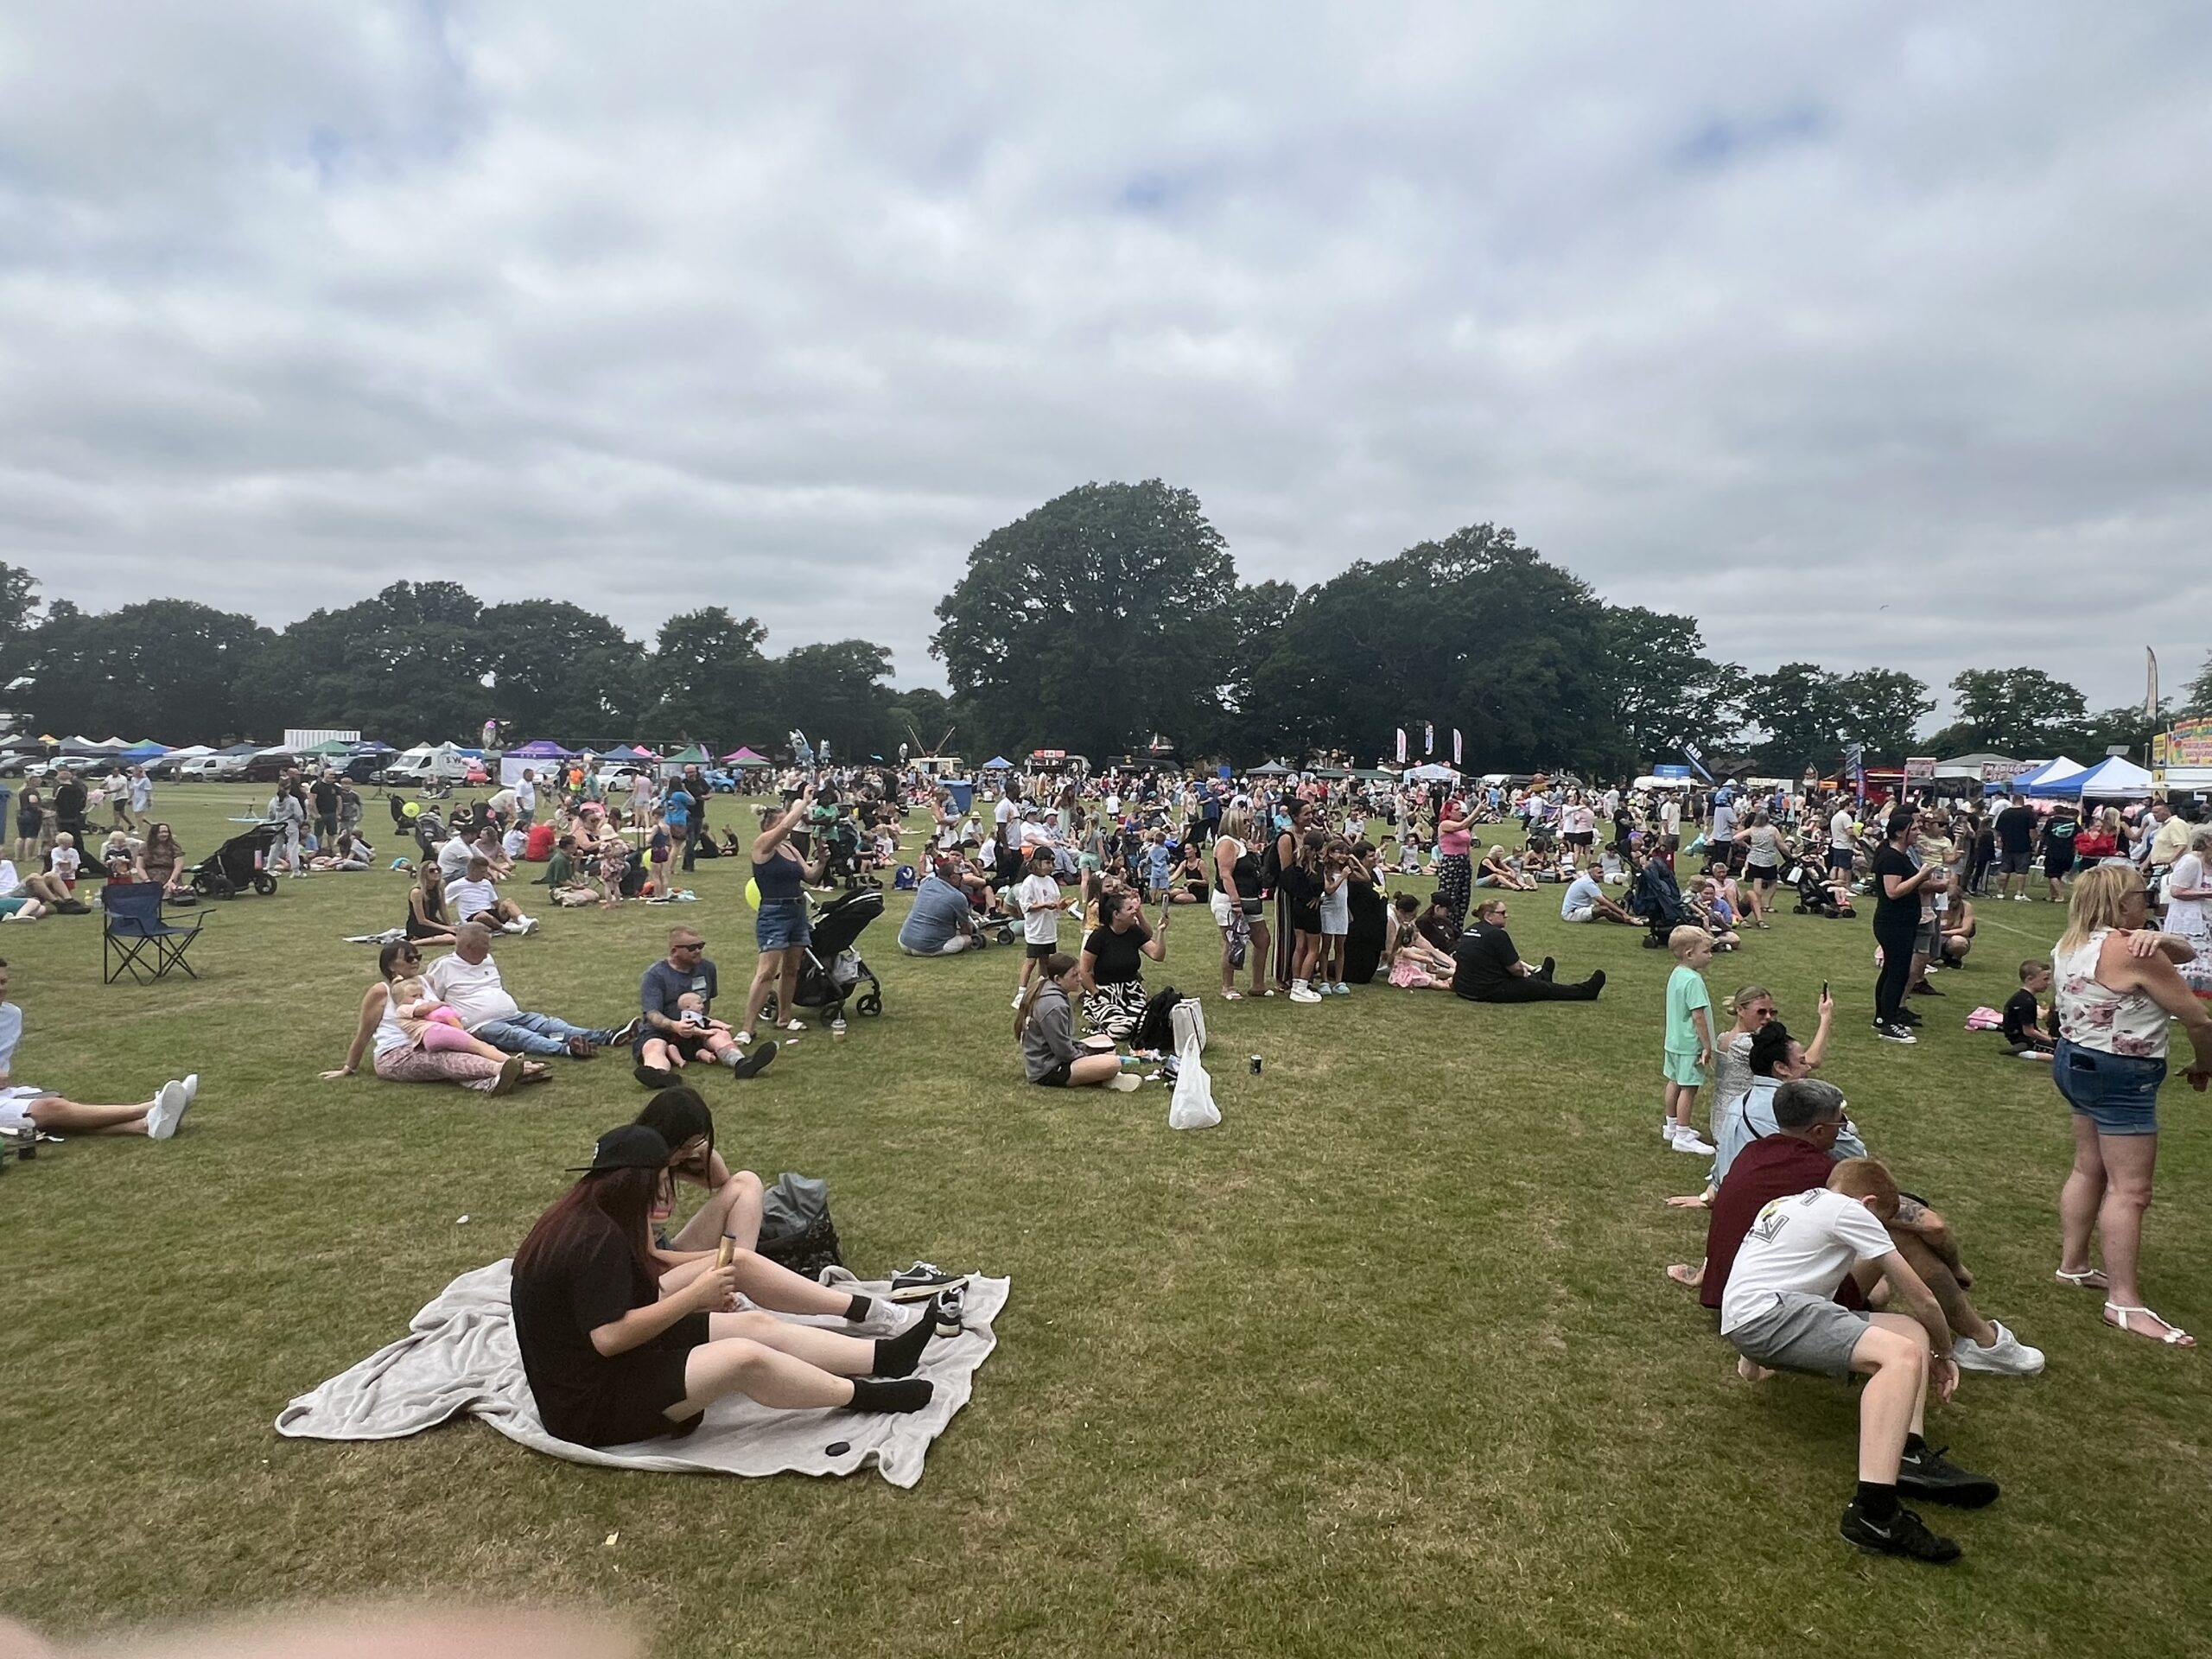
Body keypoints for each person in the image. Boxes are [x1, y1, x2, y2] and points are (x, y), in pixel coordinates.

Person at [509, 1124, 938, 1450]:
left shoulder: (593, 1215)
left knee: (754, 1326)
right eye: (662, 1180)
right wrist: (695, 1298)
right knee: (743, 1358)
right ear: (637, 1183)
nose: (665, 1191)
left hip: (617, 1364)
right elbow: (608, 1337)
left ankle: (884, 1356)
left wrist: (697, 1299)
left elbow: (631, 1298)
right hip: (592, 1406)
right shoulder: (594, 1240)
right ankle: (864, 1396)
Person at [1721, 1157, 1998, 1564]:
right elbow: (1923, 1297)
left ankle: (1907, 1453)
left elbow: (1767, 1273)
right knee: (1902, 1356)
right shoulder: (1851, 1210)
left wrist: (1750, 1359)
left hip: (1753, 1318)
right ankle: (1875, 1513)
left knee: (1907, 1333)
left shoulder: (1786, 1204)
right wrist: (1945, 1353)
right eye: (1881, 1221)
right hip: (1771, 1318)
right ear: (1868, 1203)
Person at [2050, 864, 2212, 1347]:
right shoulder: (2129, 951)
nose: (2151, 900)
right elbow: (2199, 1020)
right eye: (2144, 894)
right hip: (2122, 1074)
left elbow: (2185, 951)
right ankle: (2124, 1302)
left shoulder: (2072, 942)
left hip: (2075, 1061)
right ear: (2123, 903)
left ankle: (2074, 1264)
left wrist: (2159, 938)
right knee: (2132, 1191)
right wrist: (2205, 1065)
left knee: (2088, 1168)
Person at [0, 960, 196, 1140]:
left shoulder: (12, 1015)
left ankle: (145, 1125)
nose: (1, 988)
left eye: (3, 982)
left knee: (60, 1112)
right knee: (52, 1108)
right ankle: (153, 1107)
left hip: (7, 1093)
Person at [324, 942, 533, 1094]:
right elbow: (364, 1034)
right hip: (397, 1054)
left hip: (432, 1042)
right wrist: (348, 1068)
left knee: (469, 1048)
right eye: (408, 958)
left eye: (418, 957)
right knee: (444, 1061)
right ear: (391, 966)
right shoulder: (381, 991)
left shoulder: (427, 982)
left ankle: (493, 1080)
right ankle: (509, 1069)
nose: (415, 961)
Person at [424, 924, 639, 1059]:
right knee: (520, 1036)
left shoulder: (487, 960)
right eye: (485, 945)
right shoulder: (443, 967)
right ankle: (567, 1050)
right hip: (481, 1026)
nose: (489, 949)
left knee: (551, 1025)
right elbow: (431, 1002)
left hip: (513, 1014)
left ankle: (606, 1036)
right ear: (469, 948)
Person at [734, 791, 832, 1046]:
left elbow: (810, 876)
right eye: (782, 820)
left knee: (792, 968)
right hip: (774, 912)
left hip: (797, 910)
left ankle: (785, 1018)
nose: (787, 825)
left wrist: (822, 861)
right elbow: (788, 825)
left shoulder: (789, 848)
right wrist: (804, 802)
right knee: (767, 972)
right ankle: (747, 1028)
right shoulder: (762, 845)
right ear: (769, 826)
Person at [633, 928, 776, 1088]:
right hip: (662, 1031)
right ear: (674, 951)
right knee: (654, 1046)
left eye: (700, 946)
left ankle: (742, 1064)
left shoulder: (707, 968)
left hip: (697, 1027)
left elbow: (707, 1002)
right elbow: (652, 1014)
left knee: (721, 1035)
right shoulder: (655, 975)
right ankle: (659, 1075)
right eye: (692, 948)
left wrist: (702, 1026)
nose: (698, 951)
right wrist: (674, 1026)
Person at [1017, 953, 1143, 1090]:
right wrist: (1088, 1054)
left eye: (1079, 973)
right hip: (1048, 1069)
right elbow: (1064, 1052)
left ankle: (1102, 1075)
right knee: (1113, 1063)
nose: (1080, 979)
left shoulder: (1051, 990)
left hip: (1053, 1057)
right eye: (1074, 975)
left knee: (1105, 1041)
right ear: (1058, 979)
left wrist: (1090, 1050)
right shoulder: (1054, 1006)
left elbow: (1065, 1042)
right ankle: (1105, 1076)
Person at [1451, 899, 1605, 1003]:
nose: (1506, 916)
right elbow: (1516, 969)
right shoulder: (1496, 935)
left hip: (1463, 987)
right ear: (1489, 916)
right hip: (1488, 990)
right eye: (1502, 913)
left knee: (1533, 983)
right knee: (1547, 990)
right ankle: (1586, 991)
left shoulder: (1470, 930)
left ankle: (1543, 976)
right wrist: (1524, 974)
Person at [1869, 807, 1931, 1044]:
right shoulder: (1891, 858)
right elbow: (1893, 891)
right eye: (1913, 829)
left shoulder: (1901, 856)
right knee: (1897, 972)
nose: (1917, 832)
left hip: (1902, 923)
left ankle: (1883, 1017)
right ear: (1899, 833)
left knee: (1892, 971)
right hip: (1893, 924)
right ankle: (1888, 1022)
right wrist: (1921, 876)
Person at [1080, 887, 1167, 1039]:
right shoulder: (1099, 937)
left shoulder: (1134, 932)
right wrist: (1096, 994)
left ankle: (1122, 1022)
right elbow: (1084, 971)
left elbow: (1157, 955)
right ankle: (1104, 1025)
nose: (1135, 911)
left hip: (1131, 992)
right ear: (1116, 915)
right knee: (1122, 1028)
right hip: (1105, 992)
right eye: (1130, 909)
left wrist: (1161, 931)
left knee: (1146, 1024)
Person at [1661, 926, 1718, 1156]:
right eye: (1706, 951)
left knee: (1674, 1081)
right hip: (1689, 1044)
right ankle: (1683, 1135)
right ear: (1689, 954)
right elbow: (1698, 1016)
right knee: (1689, 1087)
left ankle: (1671, 1126)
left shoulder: (1676, 973)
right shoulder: (1694, 980)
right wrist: (1706, 1045)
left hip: (1673, 1041)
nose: (1710, 955)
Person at [1210, 807, 1273, 1001]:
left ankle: (1258, 984)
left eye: (1249, 821)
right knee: (1232, 941)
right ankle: (1228, 986)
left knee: (1262, 939)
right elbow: (1226, 874)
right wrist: (1235, 902)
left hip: (1250, 899)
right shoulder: (1227, 843)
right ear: (1233, 823)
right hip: (1230, 900)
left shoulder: (1242, 843)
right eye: (1244, 821)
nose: (1249, 825)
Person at [1011, 846, 1071, 1009]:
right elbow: (1026, 906)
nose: (1051, 866)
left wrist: (1061, 905)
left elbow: (1056, 902)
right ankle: (1021, 993)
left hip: (1049, 928)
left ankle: (1043, 989)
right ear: (1037, 863)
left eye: (1052, 863)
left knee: (1045, 960)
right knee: (1031, 961)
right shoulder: (1029, 882)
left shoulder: (1051, 882)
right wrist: (1044, 905)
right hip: (1036, 929)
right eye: (1047, 863)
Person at [896, 861, 984, 956]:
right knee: (967, 939)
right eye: (960, 875)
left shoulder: (926, 883)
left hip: (904, 942)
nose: (962, 877)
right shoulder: (958, 897)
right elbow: (965, 929)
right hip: (928, 948)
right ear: (953, 877)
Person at [447, 856, 538, 935]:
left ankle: (525, 922)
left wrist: (505, 911)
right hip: (472, 917)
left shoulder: (486, 883)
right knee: (482, 916)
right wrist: (448, 922)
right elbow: (443, 903)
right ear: (473, 870)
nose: (485, 874)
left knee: (508, 902)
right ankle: (509, 929)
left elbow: (496, 903)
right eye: (482, 872)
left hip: (489, 912)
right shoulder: (455, 885)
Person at [1384, 893, 1457, 989]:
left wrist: (1449, 962)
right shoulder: (1391, 920)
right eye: (1412, 915)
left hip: (1405, 954)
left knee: (1432, 954)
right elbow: (1390, 952)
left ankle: (1456, 969)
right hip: (1394, 962)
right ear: (1402, 912)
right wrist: (1421, 955)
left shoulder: (1405, 920)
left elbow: (1423, 942)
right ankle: (1455, 975)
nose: (1414, 918)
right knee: (1425, 963)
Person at [1738, 812, 1791, 928]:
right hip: (1769, 859)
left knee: (1757, 881)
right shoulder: (1773, 830)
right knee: (1773, 882)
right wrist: (1790, 854)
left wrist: (1748, 846)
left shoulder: (1753, 829)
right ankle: (1767, 904)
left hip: (1755, 858)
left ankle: (1758, 904)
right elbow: (1781, 844)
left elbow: (1736, 838)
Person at [1434, 796, 1478, 926]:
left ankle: (1457, 928)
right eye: (1457, 809)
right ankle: (1443, 926)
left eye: (1460, 809)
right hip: (1451, 863)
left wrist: (1469, 862)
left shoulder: (1464, 828)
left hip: (1463, 863)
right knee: (1449, 897)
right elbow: (1462, 825)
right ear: (1448, 812)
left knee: (1463, 899)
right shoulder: (1445, 824)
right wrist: (1478, 810)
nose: (1460, 812)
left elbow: (1467, 845)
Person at [2002, 959, 2055, 1059]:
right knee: (2063, 1054)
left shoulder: (2024, 997)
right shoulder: (2026, 1002)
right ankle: (2024, 1052)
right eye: (2045, 979)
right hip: (2025, 1040)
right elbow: (2029, 1031)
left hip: (2020, 1037)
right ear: (2030, 979)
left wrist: (2051, 1036)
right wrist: (2051, 1040)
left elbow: (2033, 1028)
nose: (2049, 983)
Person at [1560, 868, 1635, 925]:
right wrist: (1625, 915)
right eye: (1599, 873)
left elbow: (1604, 897)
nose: (1602, 875)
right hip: (1571, 914)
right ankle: (1629, 921)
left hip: (1579, 909)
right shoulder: (1587, 883)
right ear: (1591, 873)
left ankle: (1629, 919)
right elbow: (1603, 901)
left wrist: (1618, 908)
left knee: (1607, 906)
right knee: (1604, 909)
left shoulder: (1589, 880)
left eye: (1602, 872)